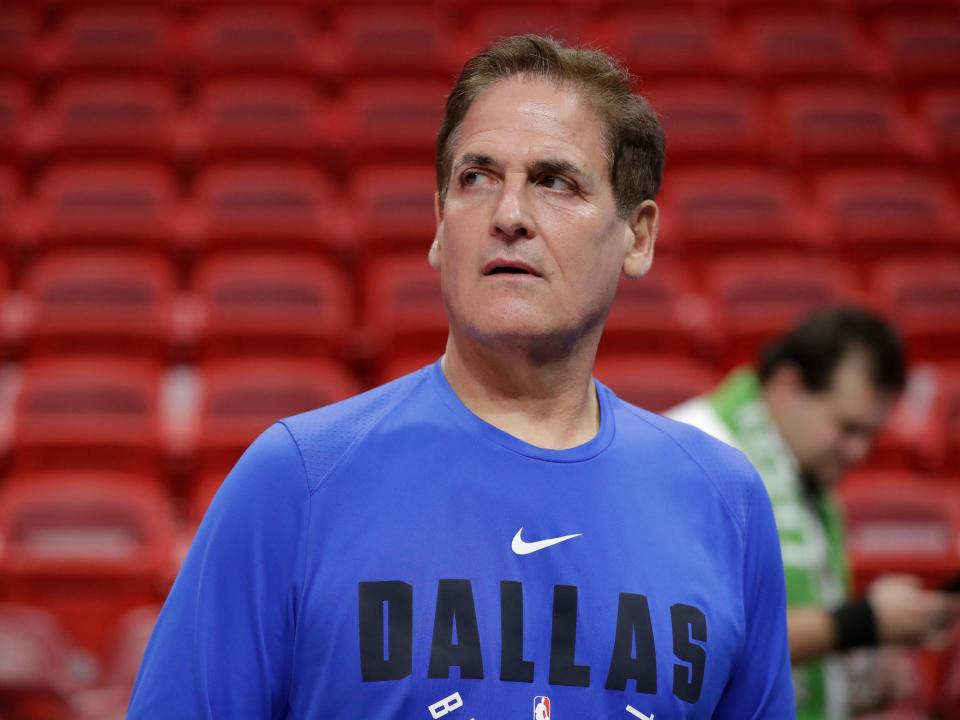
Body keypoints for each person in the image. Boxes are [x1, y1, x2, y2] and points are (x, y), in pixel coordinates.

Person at [128, 35, 794, 718]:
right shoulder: (297, 479)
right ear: (441, 225)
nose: (508, 216)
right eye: (476, 178)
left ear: (639, 236)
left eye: (554, 181)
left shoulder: (726, 504)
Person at [669, 307, 956, 720]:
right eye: (846, 427)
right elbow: (691, 638)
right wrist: (860, 623)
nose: (858, 452)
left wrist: (859, 685)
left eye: (870, 435)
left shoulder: (807, 481)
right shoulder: (693, 453)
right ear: (788, 386)